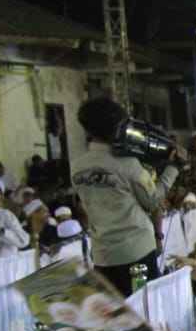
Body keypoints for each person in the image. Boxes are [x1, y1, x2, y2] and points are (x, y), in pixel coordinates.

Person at [71, 98, 181, 296]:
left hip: (103, 256)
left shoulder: (77, 166)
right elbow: (153, 200)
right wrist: (173, 169)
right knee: (143, 312)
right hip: (136, 252)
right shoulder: (127, 163)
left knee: (116, 317)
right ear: (117, 127)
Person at [0, 175, 30, 259]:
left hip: (7, 266)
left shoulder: (6, 216)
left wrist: (2, 232)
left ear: (1, 197)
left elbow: (23, 241)